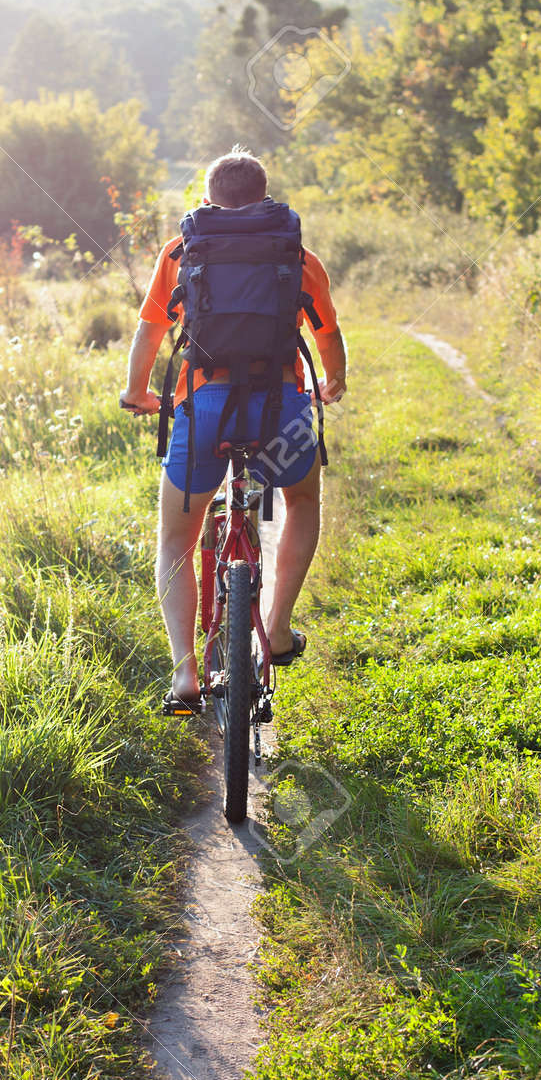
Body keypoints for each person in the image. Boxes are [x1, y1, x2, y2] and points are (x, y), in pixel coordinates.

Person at [120, 149, 347, 707]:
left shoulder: (181, 252)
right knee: (301, 501)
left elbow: (150, 332)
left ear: (207, 199)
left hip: (204, 410)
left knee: (177, 537)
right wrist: (332, 384)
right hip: (282, 408)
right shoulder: (297, 255)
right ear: (265, 196)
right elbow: (328, 336)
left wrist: (136, 391)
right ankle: (276, 628)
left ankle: (184, 676)